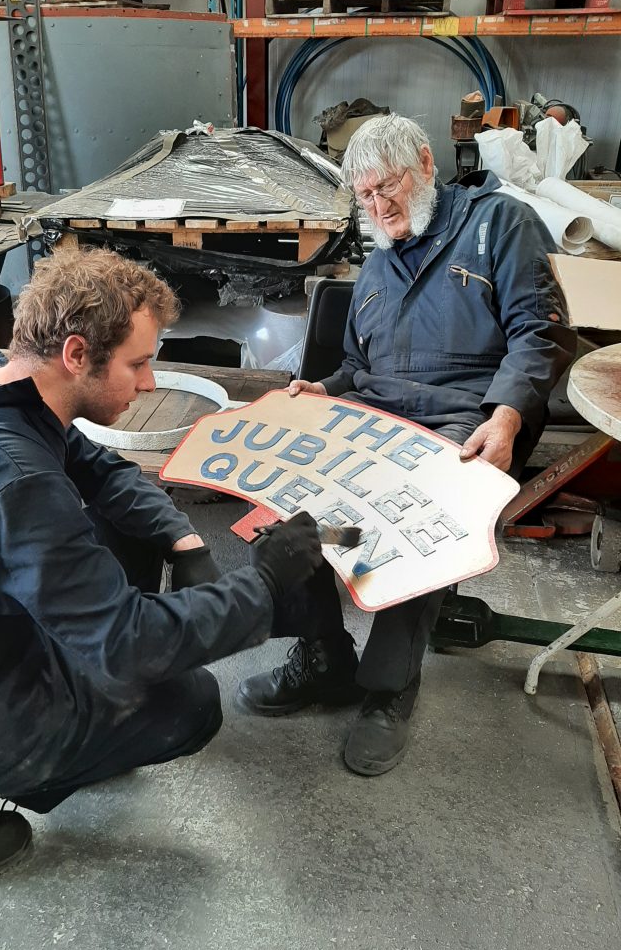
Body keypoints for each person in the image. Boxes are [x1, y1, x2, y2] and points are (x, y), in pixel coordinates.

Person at [0, 248, 324, 875]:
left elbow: (98, 467)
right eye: (139, 363)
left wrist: (184, 540)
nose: (150, 383)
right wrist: (261, 585)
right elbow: (133, 644)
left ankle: (61, 733)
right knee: (187, 704)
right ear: (76, 354)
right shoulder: (15, 477)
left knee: (126, 528)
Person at [237, 114, 576, 776]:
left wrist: (508, 417)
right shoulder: (379, 256)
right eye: (364, 197)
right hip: (376, 414)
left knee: (411, 513)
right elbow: (360, 369)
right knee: (284, 510)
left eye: (387, 186)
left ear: (425, 162)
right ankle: (324, 656)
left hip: (466, 418)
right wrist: (325, 391)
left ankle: (389, 689)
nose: (378, 206)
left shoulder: (497, 223)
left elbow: (542, 334)